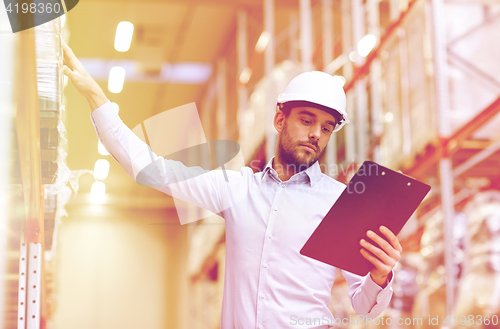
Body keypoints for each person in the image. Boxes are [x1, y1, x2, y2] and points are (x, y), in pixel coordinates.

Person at [63, 41, 402, 329]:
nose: (316, 134)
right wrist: (96, 97)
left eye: (327, 128)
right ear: (279, 119)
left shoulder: (340, 202)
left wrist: (381, 275)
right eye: (307, 120)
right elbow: (153, 169)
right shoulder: (238, 190)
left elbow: (364, 305)